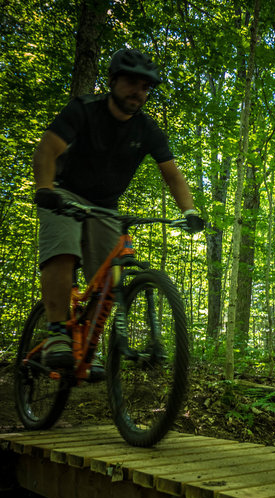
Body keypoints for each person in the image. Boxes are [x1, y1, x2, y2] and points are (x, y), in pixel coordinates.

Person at [32, 47, 204, 370]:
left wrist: (190, 211)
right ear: (112, 81)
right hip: (64, 192)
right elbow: (46, 151)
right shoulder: (84, 110)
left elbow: (173, 176)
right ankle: (56, 331)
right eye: (131, 83)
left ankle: (88, 343)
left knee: (110, 275)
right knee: (63, 248)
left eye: (145, 87)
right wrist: (45, 189)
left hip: (106, 205)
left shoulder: (148, 130)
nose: (138, 92)